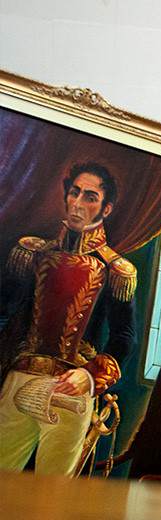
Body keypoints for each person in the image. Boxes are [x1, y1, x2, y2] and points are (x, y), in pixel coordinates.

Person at [0, 162, 137, 476]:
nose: (78, 202)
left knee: (51, 500)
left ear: (106, 208)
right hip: (19, 380)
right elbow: (5, 313)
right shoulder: (30, 252)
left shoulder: (117, 271)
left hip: (71, 390)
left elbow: (123, 336)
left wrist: (89, 377)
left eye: (90, 197)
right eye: (75, 192)